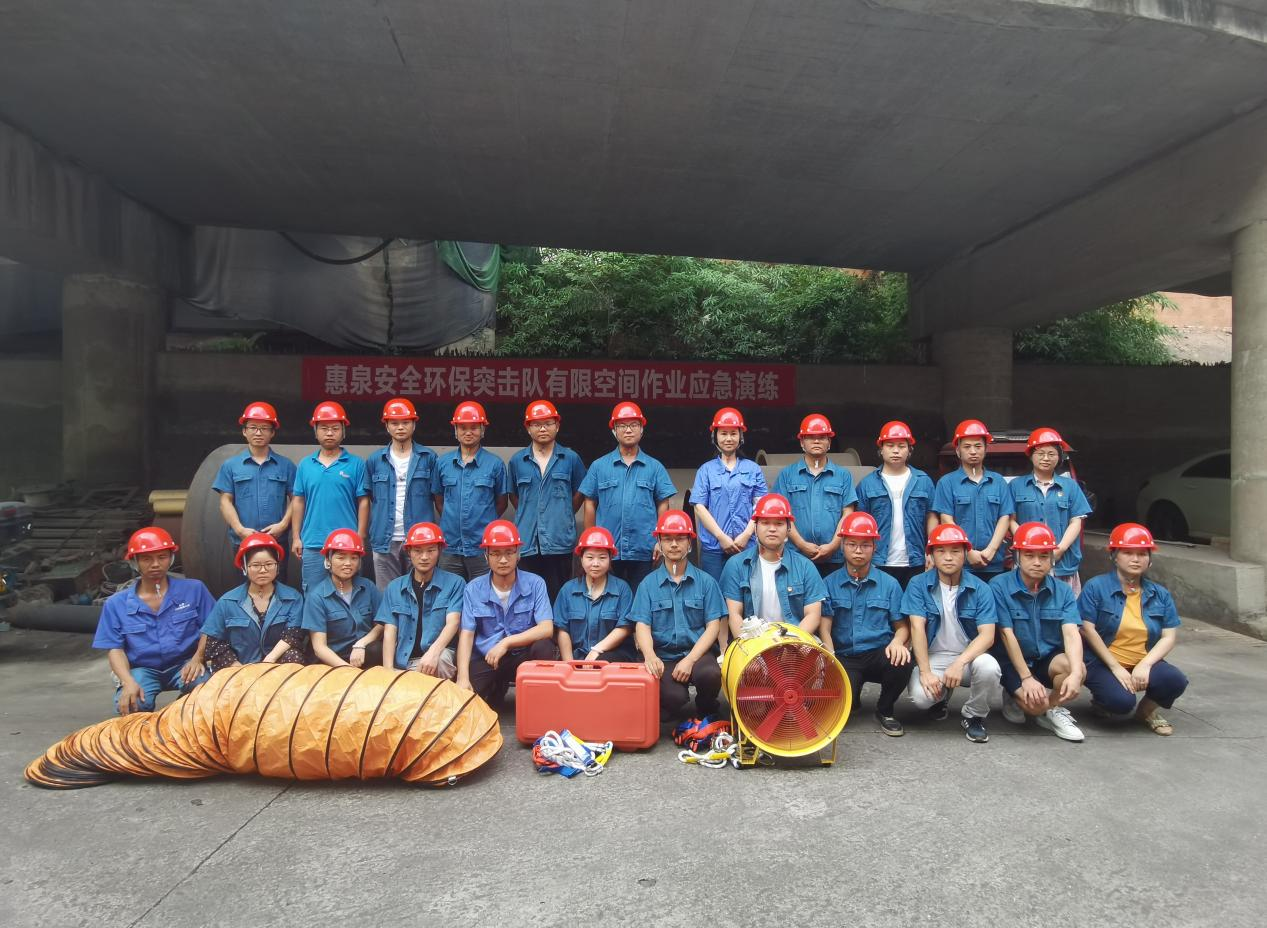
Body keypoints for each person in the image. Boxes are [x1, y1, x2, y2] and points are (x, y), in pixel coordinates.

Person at [1078, 523, 1188, 735]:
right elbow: (1086, 628)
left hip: (1140, 660)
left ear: (1150, 559)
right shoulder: (1096, 587)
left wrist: (1145, 664)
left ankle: (1146, 711)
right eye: (1127, 553)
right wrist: (1115, 667)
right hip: (1102, 662)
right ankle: (1102, 700)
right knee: (1120, 702)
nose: (1135, 559)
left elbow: (1168, 636)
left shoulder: (1160, 594)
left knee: (1175, 680)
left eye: (1142, 554)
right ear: (1114, 556)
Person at [91, 527, 213, 715]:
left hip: (185, 663)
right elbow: (115, 649)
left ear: (171, 558)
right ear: (135, 562)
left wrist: (198, 659)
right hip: (142, 669)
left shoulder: (194, 590)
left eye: (162, 557)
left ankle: (178, 715)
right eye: (147, 559)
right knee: (132, 705)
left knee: (206, 691)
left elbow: (211, 628)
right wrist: (127, 682)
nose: (155, 564)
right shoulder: (116, 604)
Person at [901, 523, 1001, 743]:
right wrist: (925, 672)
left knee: (989, 668)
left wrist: (959, 663)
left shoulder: (981, 588)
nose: (948, 557)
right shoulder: (918, 584)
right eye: (941, 551)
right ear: (931, 555)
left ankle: (974, 715)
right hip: (934, 657)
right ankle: (942, 696)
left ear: (965, 553)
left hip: (968, 657)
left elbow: (987, 635)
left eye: (955, 551)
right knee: (921, 699)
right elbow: (917, 628)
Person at [990, 521, 1086, 742]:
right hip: (1012, 660)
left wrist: (1076, 675)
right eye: (1029, 555)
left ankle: (1051, 709)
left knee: (1077, 668)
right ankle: (1016, 695)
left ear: (1052, 558)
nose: (1037, 562)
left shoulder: (1063, 590)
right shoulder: (999, 585)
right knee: (1033, 707)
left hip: (1045, 658)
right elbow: (1006, 634)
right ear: (1017, 556)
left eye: (1044, 556)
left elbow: (1071, 633)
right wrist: (1026, 678)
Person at [821, 512, 910, 736]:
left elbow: (902, 626)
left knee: (903, 661)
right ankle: (853, 694)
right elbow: (825, 627)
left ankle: (885, 710)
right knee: (844, 708)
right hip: (844, 655)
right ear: (842, 546)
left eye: (865, 545)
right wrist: (830, 656)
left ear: (874, 547)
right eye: (852, 544)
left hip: (878, 652)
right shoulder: (829, 583)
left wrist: (898, 643)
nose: (858, 551)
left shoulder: (889, 584)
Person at [631, 510, 725, 722]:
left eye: (680, 538)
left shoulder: (706, 582)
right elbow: (642, 625)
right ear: (659, 543)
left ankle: (707, 707)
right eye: (667, 539)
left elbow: (713, 627)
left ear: (690, 543)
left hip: (698, 653)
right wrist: (650, 656)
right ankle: (670, 707)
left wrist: (690, 660)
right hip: (664, 656)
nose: (674, 544)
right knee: (674, 698)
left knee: (710, 674)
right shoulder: (648, 584)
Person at [455, 520, 555, 704]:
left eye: (509, 553)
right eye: (495, 553)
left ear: (518, 554)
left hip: (522, 657)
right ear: (486, 556)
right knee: (468, 702)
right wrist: (462, 677)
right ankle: (496, 686)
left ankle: (540, 703)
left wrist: (507, 642)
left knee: (544, 647)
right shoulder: (473, 589)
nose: (503, 560)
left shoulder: (536, 583)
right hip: (488, 657)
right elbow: (467, 635)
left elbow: (546, 628)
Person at [579, 401, 676, 588]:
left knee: (642, 598)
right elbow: (589, 504)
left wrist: (660, 541)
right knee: (608, 598)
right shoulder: (599, 466)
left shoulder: (655, 467)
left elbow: (663, 505)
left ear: (642, 429)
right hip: (606, 550)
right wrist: (590, 542)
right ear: (614, 430)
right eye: (622, 425)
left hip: (644, 550)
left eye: (634, 425)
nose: (628, 430)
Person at [719, 493, 826, 639]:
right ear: (755, 527)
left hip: (795, 642)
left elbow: (813, 615)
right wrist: (754, 647)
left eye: (779, 523)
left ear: (789, 528)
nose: (772, 529)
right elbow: (734, 615)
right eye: (765, 523)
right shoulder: (736, 565)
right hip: (751, 643)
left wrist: (788, 643)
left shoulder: (805, 567)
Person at [508, 399, 586, 599]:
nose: (543, 428)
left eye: (548, 423)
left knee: (558, 596)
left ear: (557, 426)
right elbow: (514, 497)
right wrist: (530, 513)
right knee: (527, 597)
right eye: (536, 424)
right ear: (528, 428)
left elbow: (580, 493)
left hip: (559, 540)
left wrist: (564, 512)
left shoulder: (571, 459)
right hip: (527, 541)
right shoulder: (517, 461)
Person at [291, 401, 369, 592]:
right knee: (313, 594)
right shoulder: (305, 465)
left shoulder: (356, 464)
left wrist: (360, 536)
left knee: (349, 594)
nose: (329, 433)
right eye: (324, 428)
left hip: (348, 543)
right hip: (313, 542)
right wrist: (296, 537)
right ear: (315, 432)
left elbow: (363, 501)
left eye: (335, 428)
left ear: (343, 432)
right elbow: (298, 501)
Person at [202, 533, 306, 673]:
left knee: (294, 656)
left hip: (276, 666)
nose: (263, 570)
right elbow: (215, 643)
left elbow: (293, 635)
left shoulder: (293, 598)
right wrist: (241, 671)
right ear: (244, 567)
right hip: (240, 667)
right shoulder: (227, 602)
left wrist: (269, 661)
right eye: (255, 565)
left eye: (269, 564)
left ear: (277, 566)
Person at [772, 413, 857, 578]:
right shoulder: (787, 475)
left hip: (834, 558)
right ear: (802, 442)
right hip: (796, 555)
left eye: (822, 437)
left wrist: (833, 546)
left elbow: (848, 514)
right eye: (811, 437)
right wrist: (801, 544)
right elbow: (781, 515)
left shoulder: (843, 476)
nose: (816, 441)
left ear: (829, 442)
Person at [376, 522, 464, 679]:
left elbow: (453, 622)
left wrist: (433, 653)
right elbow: (390, 630)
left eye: (431, 550)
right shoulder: (394, 587)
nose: (424, 557)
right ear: (409, 551)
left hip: (437, 657)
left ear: (439, 550)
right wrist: (388, 672)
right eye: (418, 551)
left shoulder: (455, 583)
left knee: (442, 659)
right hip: (404, 663)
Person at [365, 397, 438, 589]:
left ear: (414, 424)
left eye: (405, 422)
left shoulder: (429, 458)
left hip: (421, 541)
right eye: (394, 423)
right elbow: (370, 497)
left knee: (421, 593)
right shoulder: (375, 460)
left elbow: (438, 497)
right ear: (386, 426)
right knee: (387, 594)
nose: (400, 427)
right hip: (384, 539)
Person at [1010, 427, 1092, 594]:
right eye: (1040, 453)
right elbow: (1010, 519)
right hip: (1027, 560)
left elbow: (1076, 520)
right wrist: (1030, 545)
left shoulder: (1070, 486)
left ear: (1059, 457)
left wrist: (1060, 549)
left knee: (1063, 604)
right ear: (1031, 455)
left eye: (1051, 454)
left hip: (1062, 562)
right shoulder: (1016, 486)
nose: (1046, 458)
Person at [856, 420, 937, 589]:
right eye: (890, 445)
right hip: (878, 561)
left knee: (915, 604)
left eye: (901, 446)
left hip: (916, 561)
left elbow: (931, 517)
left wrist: (932, 550)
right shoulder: (867, 484)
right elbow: (860, 524)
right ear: (881, 449)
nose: (896, 450)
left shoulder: (923, 481)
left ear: (909, 450)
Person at [433, 400, 509, 581]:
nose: (468, 432)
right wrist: (453, 520)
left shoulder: (495, 464)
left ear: (483, 430)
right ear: (455, 430)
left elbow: (502, 503)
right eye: (463, 428)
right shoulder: (442, 463)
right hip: (450, 546)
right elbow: (439, 501)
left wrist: (482, 522)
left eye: (474, 427)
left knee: (483, 593)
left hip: (482, 546)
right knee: (450, 593)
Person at [691, 407, 767, 584]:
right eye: (723, 433)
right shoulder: (706, 470)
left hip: (746, 546)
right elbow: (699, 507)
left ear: (741, 437)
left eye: (733, 433)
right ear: (715, 436)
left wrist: (746, 535)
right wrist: (721, 537)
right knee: (714, 594)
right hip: (714, 548)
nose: (728, 438)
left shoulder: (753, 469)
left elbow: (761, 506)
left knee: (747, 592)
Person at [932, 419, 1013, 578]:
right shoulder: (946, 483)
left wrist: (991, 551)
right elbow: (946, 519)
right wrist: (967, 551)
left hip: (993, 562)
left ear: (986, 449)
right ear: (958, 451)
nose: (973, 451)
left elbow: (1005, 518)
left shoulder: (998, 482)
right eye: (967, 447)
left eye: (978, 446)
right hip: (959, 564)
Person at [213, 401, 296, 551]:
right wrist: (240, 530)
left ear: (272, 433)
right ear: (244, 431)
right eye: (253, 427)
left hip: (277, 540)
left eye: (264, 428)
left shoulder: (286, 465)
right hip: (242, 541)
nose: (258, 433)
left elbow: (296, 499)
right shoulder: (231, 466)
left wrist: (283, 525)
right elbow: (225, 501)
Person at [301, 529, 383, 668]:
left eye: (354, 558)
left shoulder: (368, 587)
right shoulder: (316, 596)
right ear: (328, 560)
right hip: (330, 663)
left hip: (360, 655)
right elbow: (319, 648)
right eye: (341, 557)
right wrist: (347, 670)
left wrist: (361, 643)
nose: (348, 563)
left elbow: (381, 623)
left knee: (377, 649)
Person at [554, 526, 635, 662]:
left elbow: (624, 627)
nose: (595, 563)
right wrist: (570, 664)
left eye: (602, 558)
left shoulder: (622, 589)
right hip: (577, 656)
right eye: (590, 557)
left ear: (610, 559)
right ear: (581, 559)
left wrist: (596, 650)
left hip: (612, 656)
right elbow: (562, 630)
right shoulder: (567, 590)